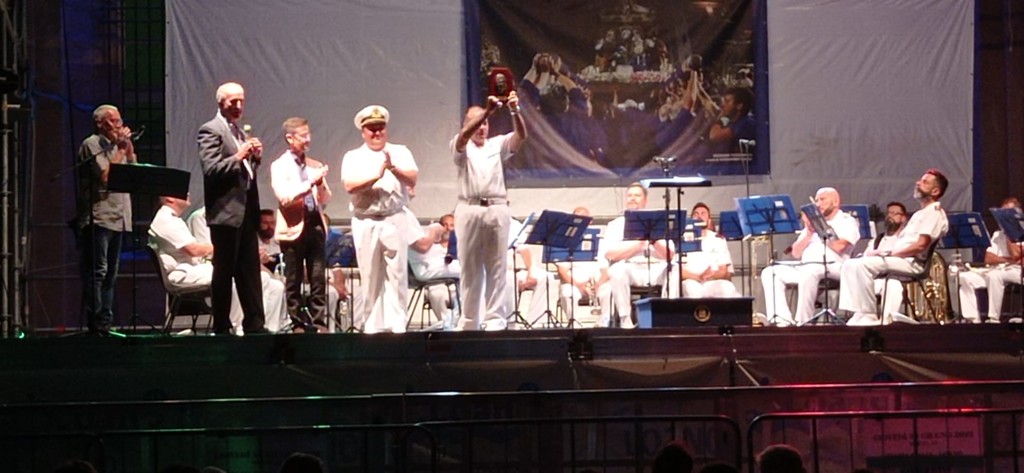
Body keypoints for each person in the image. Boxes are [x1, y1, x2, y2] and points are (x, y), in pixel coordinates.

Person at [452, 91, 527, 330]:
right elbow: (463, 138)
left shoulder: (497, 144)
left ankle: (495, 320)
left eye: (485, 123)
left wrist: (514, 110)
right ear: (467, 125)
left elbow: (521, 135)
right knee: (470, 269)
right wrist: (486, 111)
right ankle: (469, 322)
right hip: (470, 208)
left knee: (497, 268)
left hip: (496, 207)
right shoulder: (460, 144)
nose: (482, 127)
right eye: (478, 123)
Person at [197, 81, 266, 335]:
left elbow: (243, 173)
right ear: (220, 102)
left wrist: (254, 158)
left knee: (250, 271)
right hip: (226, 212)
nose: (238, 106)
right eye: (232, 101)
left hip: (246, 209)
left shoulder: (238, 131)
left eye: (241, 101)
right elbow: (211, 169)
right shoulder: (210, 130)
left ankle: (255, 324)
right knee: (224, 271)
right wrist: (239, 156)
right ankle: (222, 326)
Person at [341, 105, 417, 334]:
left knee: (397, 273)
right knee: (370, 273)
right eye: (372, 128)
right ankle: (372, 325)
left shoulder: (400, 151)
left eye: (380, 127)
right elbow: (350, 186)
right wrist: (377, 174)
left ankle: (398, 324)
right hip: (366, 220)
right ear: (363, 132)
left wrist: (393, 168)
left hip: (394, 218)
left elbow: (412, 178)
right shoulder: (353, 156)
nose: (377, 132)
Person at [840, 169, 950, 326]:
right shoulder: (920, 213)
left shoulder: (934, 213)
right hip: (900, 258)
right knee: (849, 264)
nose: (918, 183)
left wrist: (893, 254)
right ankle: (859, 312)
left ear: (935, 191)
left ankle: (868, 314)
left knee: (861, 265)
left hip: (912, 262)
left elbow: (921, 245)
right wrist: (884, 252)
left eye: (925, 182)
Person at [76, 104, 137, 335]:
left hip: (120, 217)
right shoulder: (92, 144)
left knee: (111, 273)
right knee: (98, 272)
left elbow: (134, 170)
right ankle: (95, 323)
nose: (118, 125)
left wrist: (128, 147)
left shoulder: (118, 145)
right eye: (113, 121)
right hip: (100, 216)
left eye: (119, 120)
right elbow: (105, 178)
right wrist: (120, 149)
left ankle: (106, 321)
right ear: (100, 123)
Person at [760, 187, 860, 326]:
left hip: (835, 266)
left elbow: (839, 247)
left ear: (835, 201)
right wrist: (808, 233)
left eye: (823, 199)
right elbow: (796, 253)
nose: (818, 204)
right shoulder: (813, 224)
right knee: (770, 272)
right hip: (806, 266)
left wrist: (821, 229)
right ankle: (781, 320)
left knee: (810, 271)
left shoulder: (846, 221)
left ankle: (803, 322)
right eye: (817, 200)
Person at [184, 204, 288, 333]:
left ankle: (270, 327)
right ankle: (236, 326)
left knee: (276, 286)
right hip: (213, 262)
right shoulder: (200, 217)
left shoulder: (244, 216)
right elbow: (206, 251)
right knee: (255, 278)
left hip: (236, 255)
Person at [271, 117, 332, 333]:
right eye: (303, 136)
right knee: (293, 278)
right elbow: (284, 197)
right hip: (292, 227)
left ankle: (319, 322)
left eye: (309, 134)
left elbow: (325, 199)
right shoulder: (279, 166)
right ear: (290, 138)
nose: (308, 139)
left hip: (315, 224)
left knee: (318, 277)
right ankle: (297, 323)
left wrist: (321, 184)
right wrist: (309, 183)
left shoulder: (314, 165)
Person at [600, 182, 671, 328]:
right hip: (631, 268)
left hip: (656, 268)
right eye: (630, 195)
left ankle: (668, 315)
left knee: (674, 268)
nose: (632, 198)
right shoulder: (616, 224)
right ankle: (625, 319)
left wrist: (653, 240)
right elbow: (609, 253)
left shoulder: (658, 221)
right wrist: (638, 244)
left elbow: (671, 254)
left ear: (645, 200)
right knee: (616, 270)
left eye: (637, 195)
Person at [960, 197, 1023, 323]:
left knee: (995, 275)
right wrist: (1008, 261)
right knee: (964, 277)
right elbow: (988, 258)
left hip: (1017, 271)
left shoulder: (1021, 233)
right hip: (996, 269)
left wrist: (1009, 232)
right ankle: (973, 319)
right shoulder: (997, 234)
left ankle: (993, 318)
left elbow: (1016, 255)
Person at [554, 207, 609, 325]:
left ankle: (603, 324)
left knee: (608, 290)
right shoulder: (565, 241)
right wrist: (579, 285)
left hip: (596, 281)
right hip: (574, 282)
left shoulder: (600, 241)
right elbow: (562, 271)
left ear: (590, 221)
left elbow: (605, 270)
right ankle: (574, 325)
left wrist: (598, 285)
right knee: (567, 294)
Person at [407, 209, 460, 330]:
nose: (448, 229)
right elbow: (423, 250)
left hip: (455, 286)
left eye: (452, 225)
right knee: (437, 294)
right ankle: (446, 324)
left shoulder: (459, 247)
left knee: (471, 276)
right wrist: (432, 233)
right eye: (445, 225)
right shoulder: (432, 246)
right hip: (437, 285)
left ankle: (455, 321)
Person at [676, 202, 740, 298]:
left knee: (727, 287)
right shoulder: (682, 239)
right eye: (696, 214)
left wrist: (711, 275)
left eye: (703, 213)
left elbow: (724, 271)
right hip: (691, 281)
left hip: (712, 282)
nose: (699, 216)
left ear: (709, 220)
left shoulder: (718, 240)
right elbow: (678, 271)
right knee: (691, 290)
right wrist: (698, 277)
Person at [707, 87, 755, 154]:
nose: (722, 105)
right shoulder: (733, 122)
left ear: (739, 106)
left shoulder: (745, 124)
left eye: (727, 101)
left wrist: (720, 119)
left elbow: (714, 136)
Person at [258, 209, 282, 273]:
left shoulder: (279, 243)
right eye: (265, 223)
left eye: (272, 223)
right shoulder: (253, 245)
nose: (269, 226)